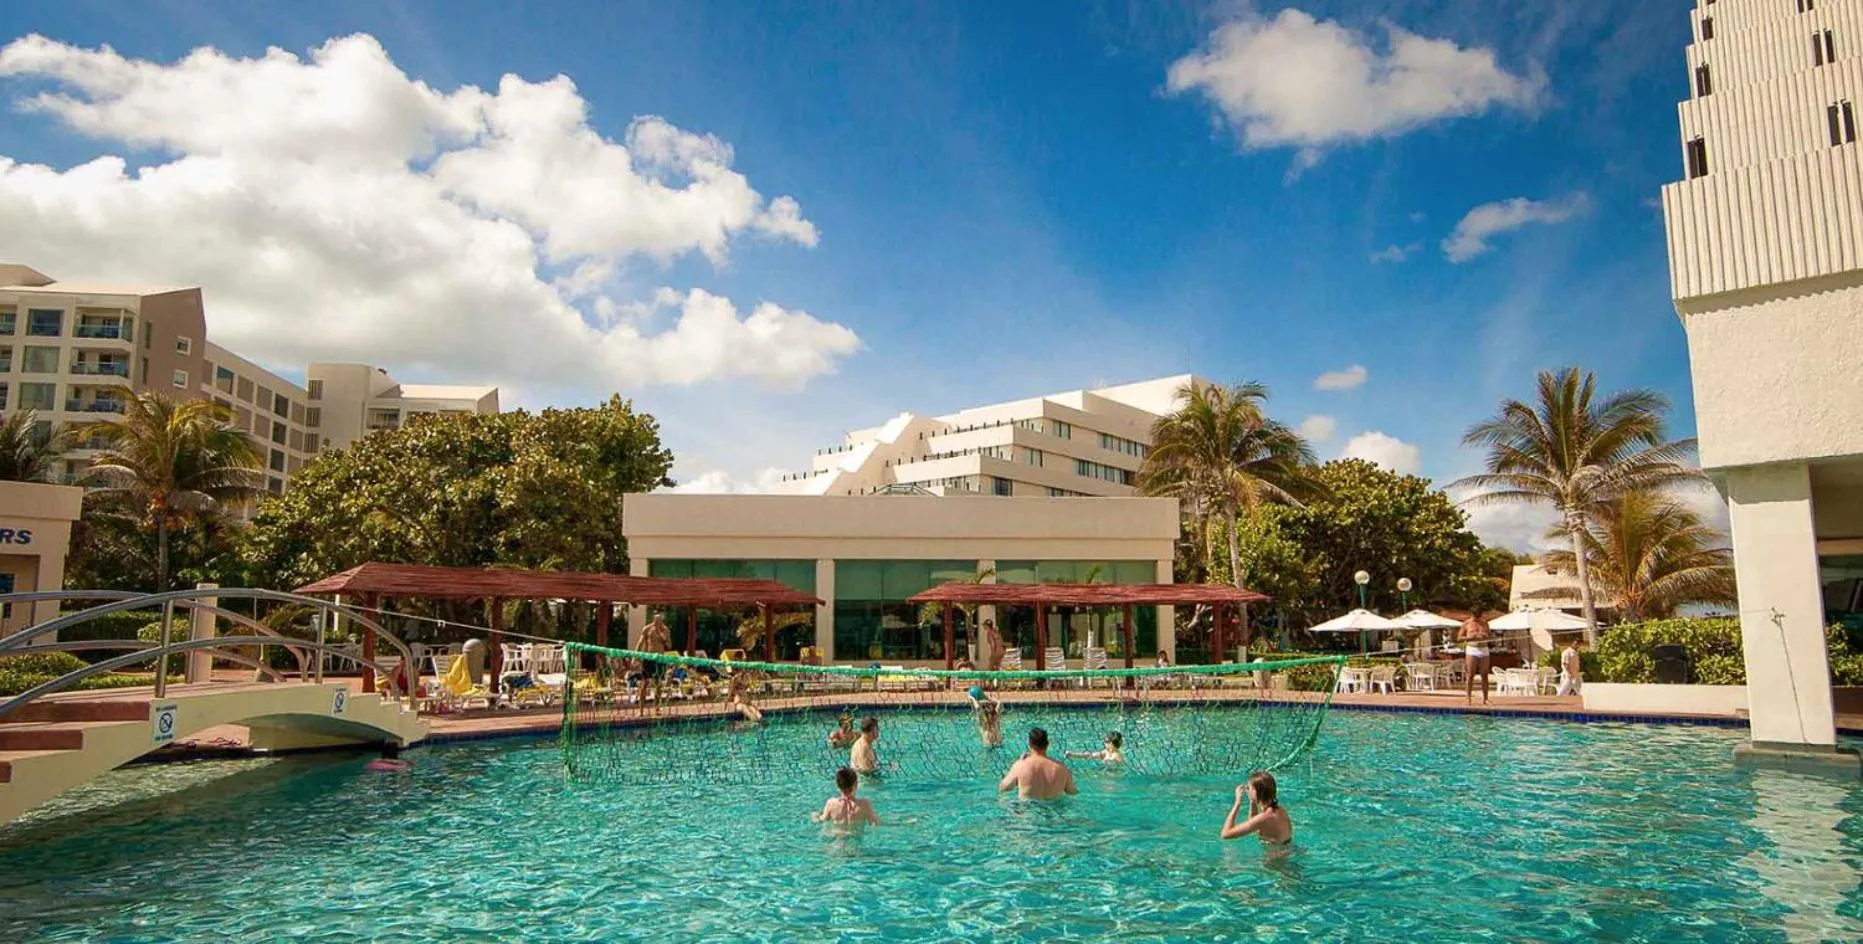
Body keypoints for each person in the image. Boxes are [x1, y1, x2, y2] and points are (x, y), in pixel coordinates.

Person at [998, 727, 1077, 799]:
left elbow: (1004, 787)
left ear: (1030, 744)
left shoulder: (1020, 766)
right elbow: (1072, 792)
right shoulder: (1062, 768)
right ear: (1047, 744)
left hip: (1028, 811)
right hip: (1054, 812)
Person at [1220, 771, 1292, 845]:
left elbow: (1225, 834)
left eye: (1249, 788)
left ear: (1256, 792)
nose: (1247, 790)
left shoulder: (1265, 817)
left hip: (1275, 855)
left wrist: (1237, 803)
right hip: (1288, 850)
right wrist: (1252, 802)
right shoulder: (1279, 809)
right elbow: (1255, 825)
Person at [813, 766, 880, 828]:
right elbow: (875, 824)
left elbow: (821, 820)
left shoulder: (831, 804)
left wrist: (815, 816)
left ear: (838, 786)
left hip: (838, 839)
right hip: (856, 839)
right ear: (856, 784)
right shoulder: (865, 805)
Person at [1457, 611, 1493, 705]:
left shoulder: (1485, 623)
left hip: (1484, 649)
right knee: (1470, 674)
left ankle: (1485, 698)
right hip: (1472, 649)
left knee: (1484, 675)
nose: (1477, 618)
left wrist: (1486, 636)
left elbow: (1490, 636)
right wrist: (1470, 637)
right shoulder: (1467, 623)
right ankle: (1468, 698)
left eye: (1479, 616)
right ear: (1472, 615)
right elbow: (1459, 638)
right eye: (1475, 616)